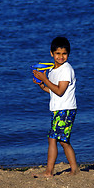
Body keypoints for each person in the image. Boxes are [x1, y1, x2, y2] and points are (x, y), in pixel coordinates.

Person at [33, 36, 79, 177]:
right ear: (51, 53)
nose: (61, 57)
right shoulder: (53, 70)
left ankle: (49, 172)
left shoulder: (66, 69)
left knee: (55, 139)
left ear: (68, 54)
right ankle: (74, 168)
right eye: (58, 53)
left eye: (64, 53)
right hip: (58, 109)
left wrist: (44, 79)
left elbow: (60, 91)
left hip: (66, 109)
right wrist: (42, 85)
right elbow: (53, 90)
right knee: (62, 141)